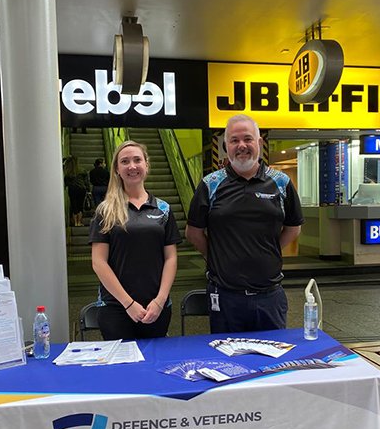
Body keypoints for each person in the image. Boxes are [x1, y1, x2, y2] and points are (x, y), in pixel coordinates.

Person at [186, 114, 304, 334]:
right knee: (228, 364)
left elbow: (293, 227)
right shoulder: (210, 185)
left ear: (259, 142)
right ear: (226, 146)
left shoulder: (281, 183)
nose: (242, 146)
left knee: (272, 363)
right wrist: (214, 256)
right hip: (225, 297)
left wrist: (271, 251)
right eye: (234, 140)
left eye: (248, 139)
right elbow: (193, 232)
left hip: (270, 296)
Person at [89, 141, 181, 340]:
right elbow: (98, 262)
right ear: (116, 169)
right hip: (116, 308)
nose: (132, 166)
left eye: (137, 160)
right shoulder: (105, 211)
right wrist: (128, 304)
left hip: (156, 308)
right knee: (121, 370)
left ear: (146, 165)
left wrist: (160, 300)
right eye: (125, 161)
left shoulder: (163, 209)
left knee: (156, 366)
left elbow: (171, 258)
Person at [63, 156, 88, 227]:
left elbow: (66, 183)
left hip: (72, 189)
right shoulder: (82, 170)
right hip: (81, 189)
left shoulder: (68, 172)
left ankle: (75, 223)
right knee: (80, 206)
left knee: (74, 206)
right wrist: (88, 190)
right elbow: (86, 182)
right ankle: (79, 222)